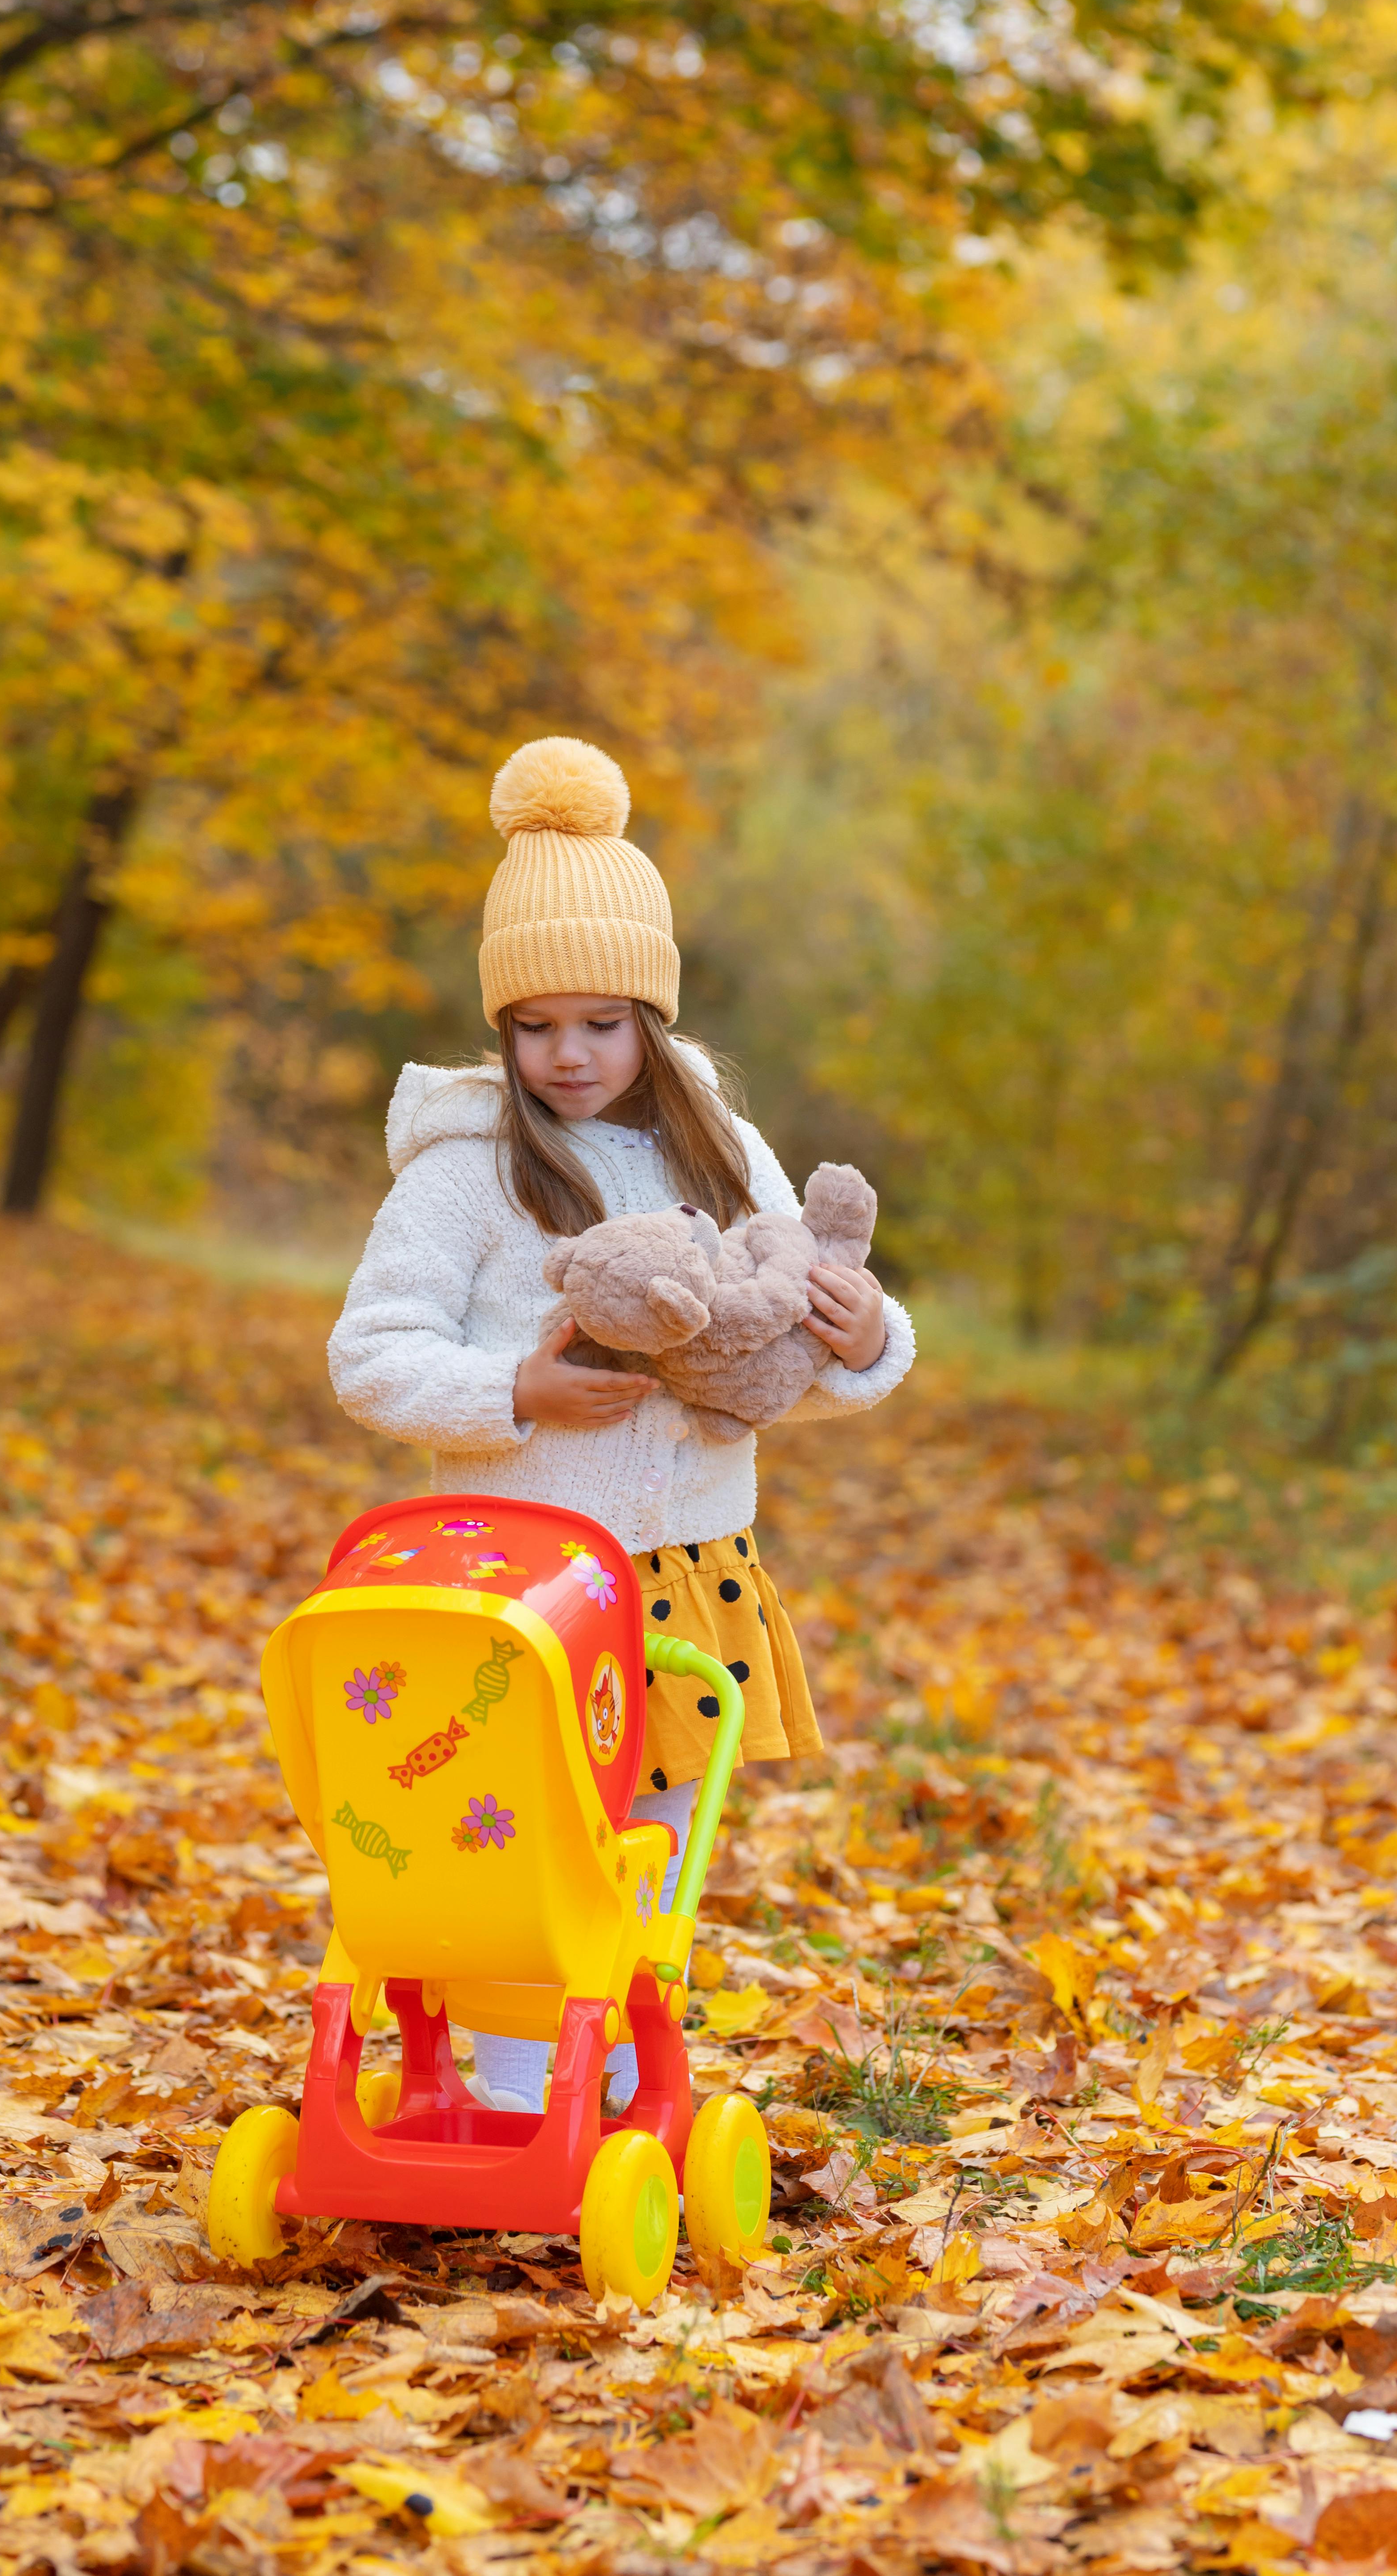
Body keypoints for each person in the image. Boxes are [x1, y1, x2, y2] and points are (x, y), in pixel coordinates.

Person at [328, 736, 913, 2109]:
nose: (568, 1054)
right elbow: (370, 1354)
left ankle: (612, 2081)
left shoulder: (723, 1152)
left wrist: (863, 1338)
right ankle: (525, 2096)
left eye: (599, 1022)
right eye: (534, 1026)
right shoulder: (469, 1173)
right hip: (521, 1579)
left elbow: (781, 1343)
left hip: (681, 1581)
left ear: (649, 1016)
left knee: (649, 1850)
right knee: (518, 1842)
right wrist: (511, 1392)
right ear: (500, 1029)